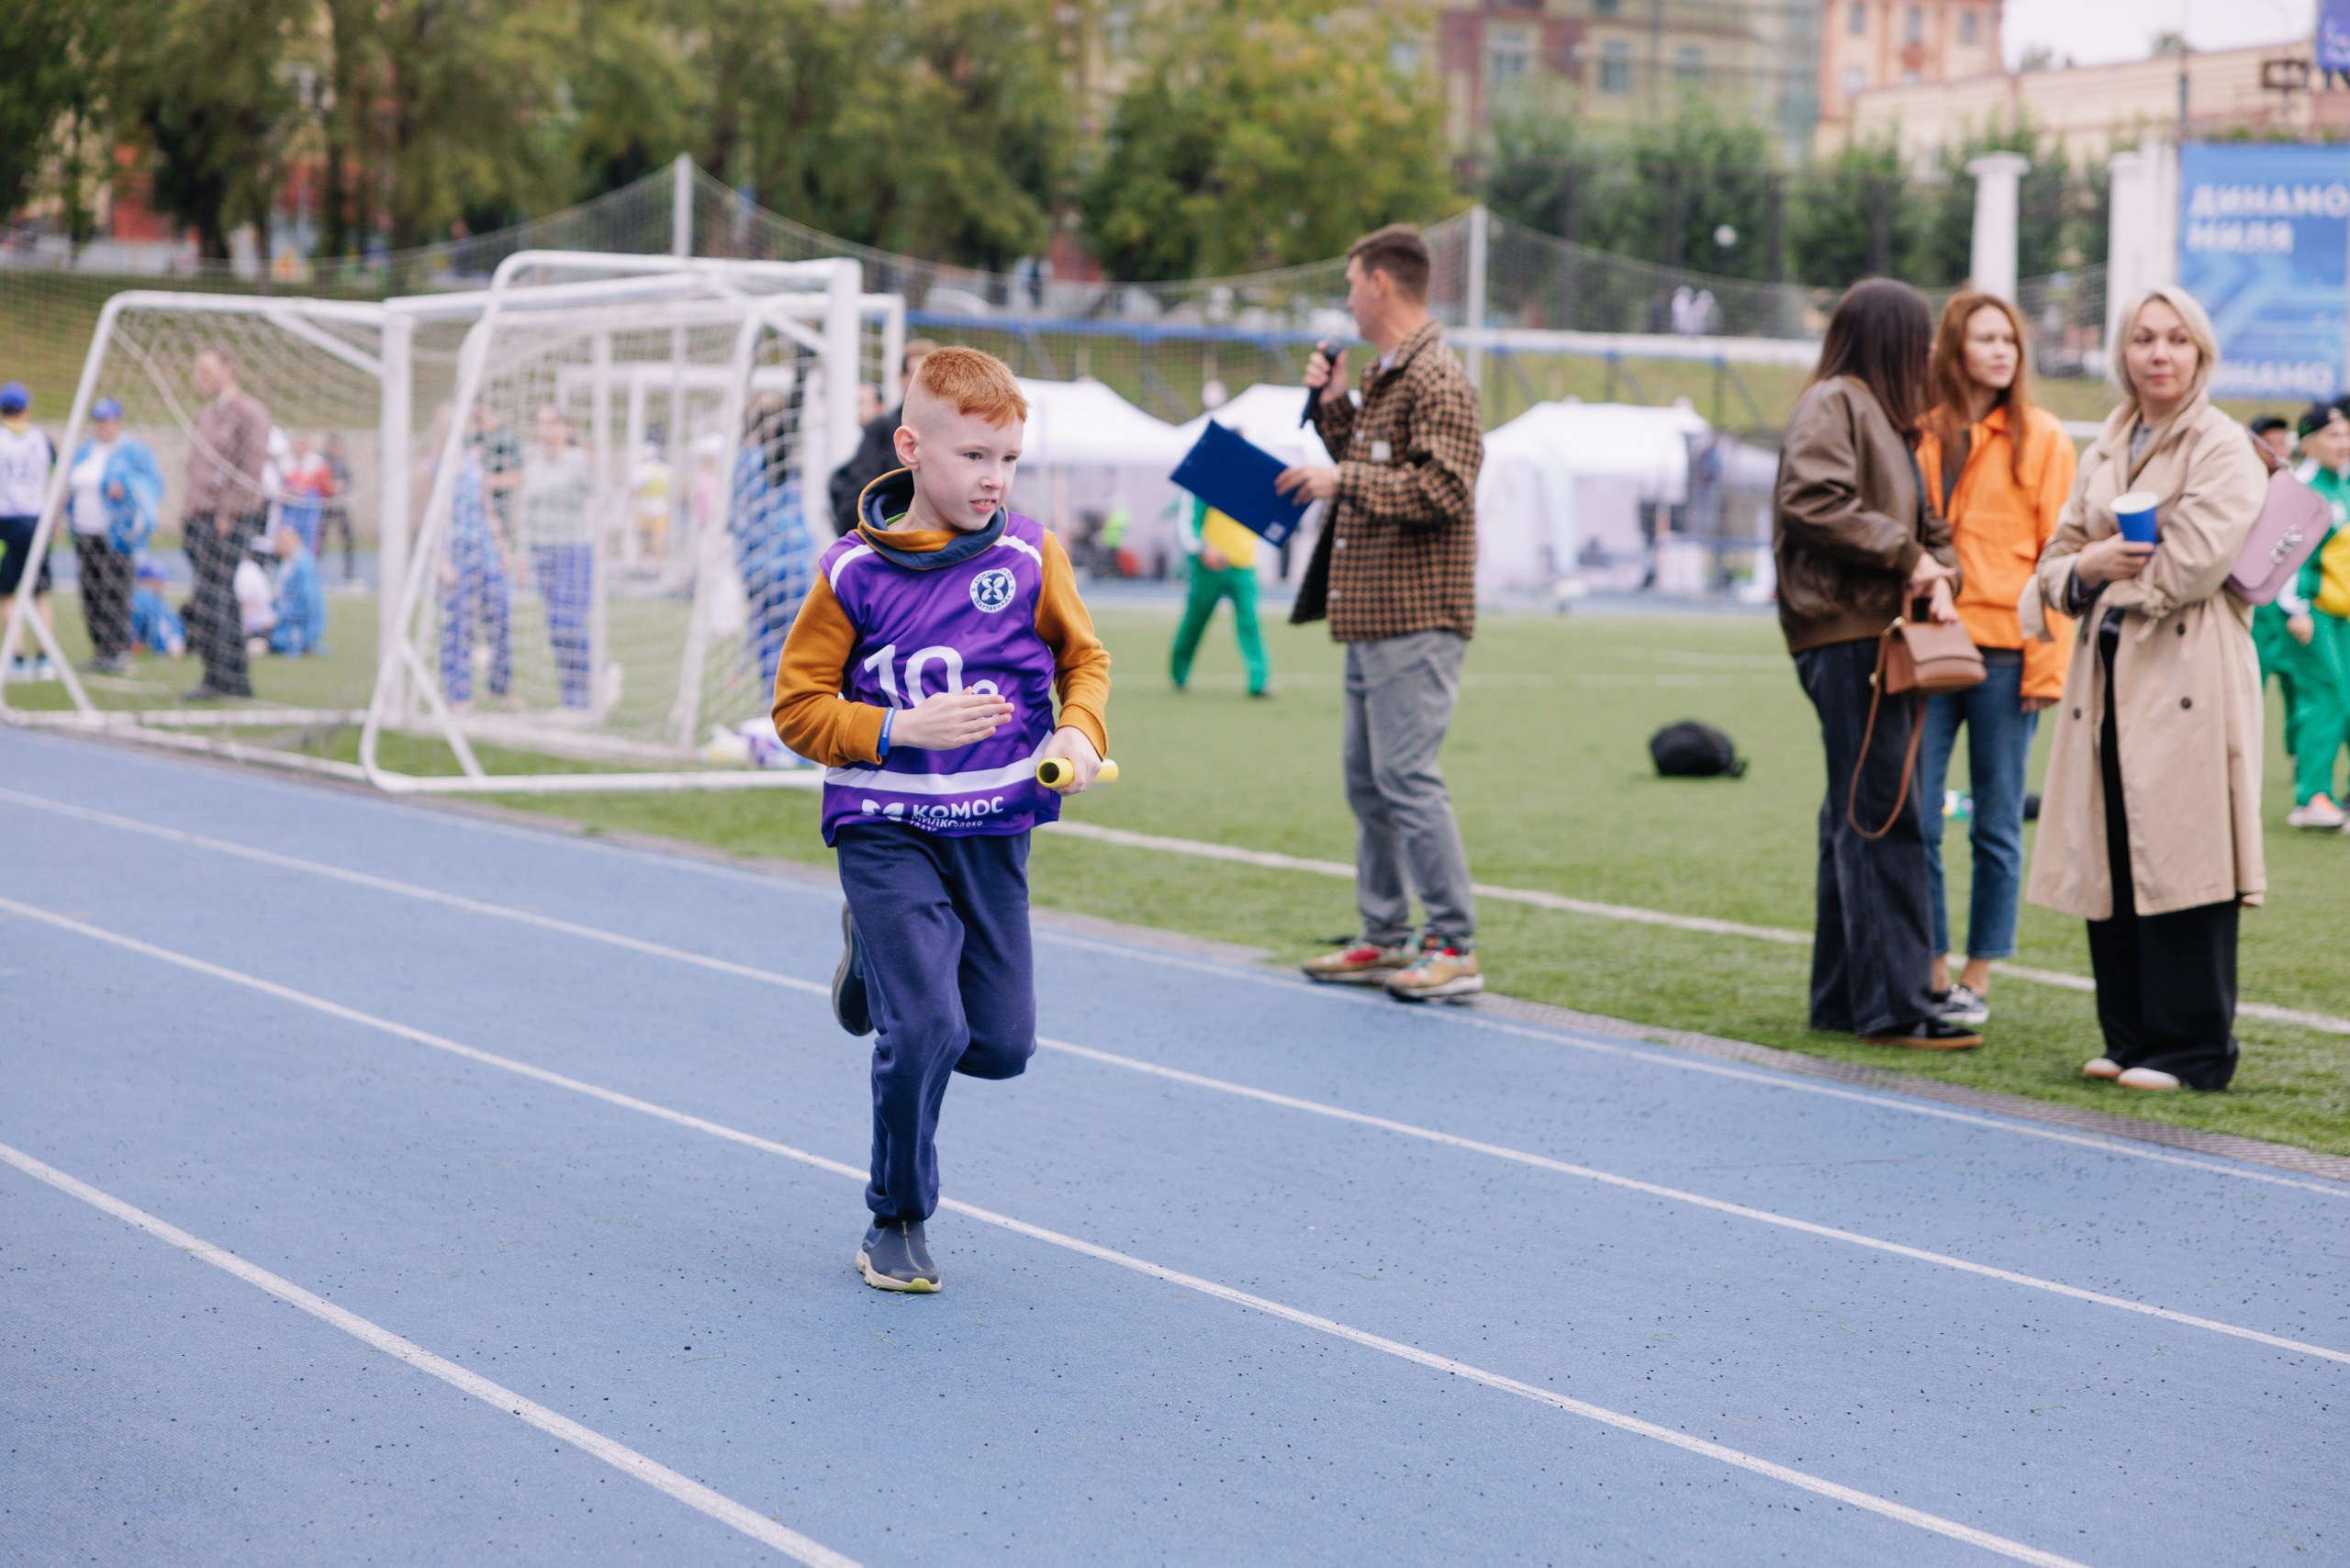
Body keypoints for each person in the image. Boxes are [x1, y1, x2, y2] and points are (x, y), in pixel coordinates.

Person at [770, 347, 1110, 1294]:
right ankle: (897, 1214)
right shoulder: (850, 572)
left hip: (993, 828)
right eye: (972, 457)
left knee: (996, 1045)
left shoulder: (1031, 554)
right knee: (924, 1029)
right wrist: (893, 728)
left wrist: (1080, 735)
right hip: (885, 824)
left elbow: (1086, 663)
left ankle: (869, 968)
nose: (992, 479)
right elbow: (797, 710)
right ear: (912, 448)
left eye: (1007, 459)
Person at [2020, 286, 2269, 1092]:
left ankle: (2193, 1050)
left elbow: (2193, 562)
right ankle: (2126, 1034)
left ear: (2200, 354)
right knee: (2112, 848)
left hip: (2189, 674)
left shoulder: (2222, 445)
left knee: (2184, 855)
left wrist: (2093, 573)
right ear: (2123, 354)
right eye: (2143, 339)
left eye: (2175, 340)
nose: (2158, 353)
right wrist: (2088, 567)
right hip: (2109, 674)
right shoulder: (2112, 440)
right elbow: (2057, 557)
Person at [1280, 224, 1485, 1002]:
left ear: (1381, 286)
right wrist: (1335, 411)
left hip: (1418, 613)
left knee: (1404, 775)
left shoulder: (1436, 375)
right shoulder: (1392, 372)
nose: (1346, 297)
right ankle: (1385, 935)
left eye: (1350, 281)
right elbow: (1373, 465)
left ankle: (1452, 943)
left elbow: (1444, 489)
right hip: (1374, 613)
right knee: (1369, 781)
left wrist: (1341, 482)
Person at [1774, 278, 1976, 1051]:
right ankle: (1896, 1005)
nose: (1928, 354)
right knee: (1885, 816)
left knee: (1858, 814)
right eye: (1919, 337)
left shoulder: (1890, 422)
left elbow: (1930, 526)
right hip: (1848, 634)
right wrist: (1911, 558)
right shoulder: (1835, 403)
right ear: (1890, 338)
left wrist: (1939, 568)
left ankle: (1844, 998)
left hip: (1870, 631)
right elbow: (1813, 501)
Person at [1913, 293, 2078, 1027]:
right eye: (1985, 338)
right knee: (1914, 813)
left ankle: (1977, 975)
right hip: (1931, 643)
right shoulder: (1921, 433)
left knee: (1997, 822)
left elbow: (2059, 560)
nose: (2003, 351)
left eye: (2010, 338)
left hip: (2012, 655)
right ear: (1955, 348)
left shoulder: (2044, 437)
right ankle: (1929, 966)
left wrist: (2048, 666)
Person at [2263, 404, 2348, 829]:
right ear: (2310, 442)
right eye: (2334, 436)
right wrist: (2296, 607)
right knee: (2327, 695)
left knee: (2342, 697)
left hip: (2339, 614)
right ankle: (2311, 796)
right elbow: (2286, 555)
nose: (2344, 444)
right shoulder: (2305, 487)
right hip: (2307, 612)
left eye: (2347, 435)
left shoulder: (2341, 484)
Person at [179, 347, 274, 700]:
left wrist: (227, 513)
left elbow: (250, 469)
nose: (199, 377)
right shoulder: (205, 415)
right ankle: (233, 679)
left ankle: (220, 679)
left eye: (206, 369)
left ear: (228, 369)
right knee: (213, 596)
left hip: (227, 522)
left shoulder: (250, 414)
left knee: (213, 596)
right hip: (198, 519)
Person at [67, 397, 164, 677]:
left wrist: (127, 490)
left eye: (108, 421)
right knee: (91, 592)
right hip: (86, 531)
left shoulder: (132, 452)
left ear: (118, 422)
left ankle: (118, 649)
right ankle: (101, 650)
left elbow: (153, 485)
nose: (103, 427)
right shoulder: (86, 452)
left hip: (116, 534)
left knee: (116, 591)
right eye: (99, 421)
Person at [732, 395, 815, 693]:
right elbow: (794, 411)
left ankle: (771, 707)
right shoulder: (771, 460)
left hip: (752, 568)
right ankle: (787, 709)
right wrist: (803, 367)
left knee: (766, 643)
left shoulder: (737, 463)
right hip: (785, 568)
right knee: (798, 646)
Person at [520, 405, 597, 708]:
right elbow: (529, 514)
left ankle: (598, 673)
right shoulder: (534, 466)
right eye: (540, 424)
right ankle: (573, 701)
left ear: (566, 428)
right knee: (555, 629)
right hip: (543, 550)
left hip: (574, 548)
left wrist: (593, 468)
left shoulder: (579, 461)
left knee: (568, 623)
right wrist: (523, 555)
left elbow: (597, 493)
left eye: (551, 424)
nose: (545, 431)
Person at [828, 338, 939, 535]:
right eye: (917, 375)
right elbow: (856, 495)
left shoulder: (956, 432)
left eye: (933, 375)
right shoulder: (881, 430)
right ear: (901, 378)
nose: (926, 384)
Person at [1169, 495, 1270, 697]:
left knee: (1250, 623)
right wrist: (1202, 548)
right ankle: (1179, 673)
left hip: (1244, 565)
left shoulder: (1252, 483)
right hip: (1209, 565)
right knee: (1195, 621)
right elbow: (1188, 522)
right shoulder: (1203, 482)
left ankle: (1259, 682)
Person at [440, 442, 513, 708]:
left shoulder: (474, 464)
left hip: (486, 554)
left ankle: (500, 687)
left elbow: (488, 510)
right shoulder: (434, 468)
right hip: (455, 557)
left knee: (501, 618)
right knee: (458, 627)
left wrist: (502, 548)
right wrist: (441, 561)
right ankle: (458, 694)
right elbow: (425, 518)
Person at [0, 379, 58, 680]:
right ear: (27, 408)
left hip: (6, 522)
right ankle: (45, 658)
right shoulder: (41, 439)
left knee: (7, 594)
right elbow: (57, 477)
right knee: (39, 594)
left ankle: (18, 658)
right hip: (37, 521)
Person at [264, 524, 326, 655]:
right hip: (286, 619)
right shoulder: (288, 562)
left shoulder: (302, 563)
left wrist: (281, 616)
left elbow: (308, 600)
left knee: (271, 641)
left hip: (299, 624)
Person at [130, 561, 186, 657]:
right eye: (160, 580)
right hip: (162, 648)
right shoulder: (146, 599)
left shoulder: (156, 600)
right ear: (150, 580)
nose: (163, 584)